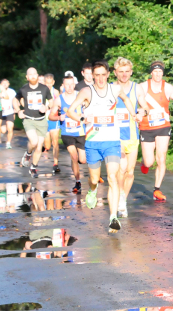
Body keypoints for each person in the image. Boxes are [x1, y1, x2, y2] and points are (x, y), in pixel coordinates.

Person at [65, 60, 139, 233]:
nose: (99, 79)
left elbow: (127, 99)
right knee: (93, 179)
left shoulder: (114, 89)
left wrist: (133, 114)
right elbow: (70, 111)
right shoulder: (86, 92)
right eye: (96, 75)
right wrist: (82, 119)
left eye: (102, 75)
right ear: (92, 76)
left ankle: (113, 217)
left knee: (113, 177)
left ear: (107, 75)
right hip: (92, 143)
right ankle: (92, 190)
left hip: (112, 142)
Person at [138, 61, 173, 201]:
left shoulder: (168, 87)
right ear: (151, 72)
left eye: (160, 71)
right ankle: (144, 162)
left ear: (163, 73)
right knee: (149, 162)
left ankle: (157, 189)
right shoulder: (143, 86)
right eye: (155, 71)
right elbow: (134, 100)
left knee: (162, 157)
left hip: (163, 126)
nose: (158, 74)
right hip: (146, 127)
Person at [113, 57, 149, 218]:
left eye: (127, 71)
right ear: (115, 73)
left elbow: (145, 106)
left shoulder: (137, 88)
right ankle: (119, 195)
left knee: (129, 171)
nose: (124, 75)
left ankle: (122, 200)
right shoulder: (111, 88)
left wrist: (141, 113)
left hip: (132, 134)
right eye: (121, 72)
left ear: (131, 72)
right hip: (115, 134)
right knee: (121, 168)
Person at [49, 75, 86, 193]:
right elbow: (50, 116)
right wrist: (59, 117)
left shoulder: (80, 95)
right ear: (63, 85)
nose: (69, 87)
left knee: (83, 160)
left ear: (74, 84)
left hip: (80, 132)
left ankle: (78, 162)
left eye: (71, 84)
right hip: (67, 132)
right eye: (67, 85)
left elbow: (90, 107)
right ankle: (78, 182)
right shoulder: (59, 99)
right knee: (74, 156)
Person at [13, 67, 52, 177]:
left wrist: (47, 106)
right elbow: (15, 100)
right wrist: (18, 110)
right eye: (30, 74)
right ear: (27, 77)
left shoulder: (44, 88)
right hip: (29, 119)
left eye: (35, 73)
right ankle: (28, 154)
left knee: (39, 147)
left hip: (41, 120)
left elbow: (52, 101)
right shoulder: (24, 89)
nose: (33, 76)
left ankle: (33, 167)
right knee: (34, 142)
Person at [43, 74, 61, 173]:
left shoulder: (55, 92)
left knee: (55, 142)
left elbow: (59, 103)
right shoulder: (41, 91)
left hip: (53, 119)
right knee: (48, 146)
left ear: (53, 82)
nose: (49, 85)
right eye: (47, 83)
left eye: (50, 83)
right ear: (44, 83)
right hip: (44, 120)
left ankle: (55, 163)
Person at [0, 79, 16, 149]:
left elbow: (15, 100)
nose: (5, 84)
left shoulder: (12, 91)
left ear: (8, 84)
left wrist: (16, 109)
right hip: (1, 112)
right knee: (3, 130)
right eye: (3, 83)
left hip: (10, 112)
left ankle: (8, 143)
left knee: (10, 128)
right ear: (1, 84)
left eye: (6, 83)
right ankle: (0, 134)